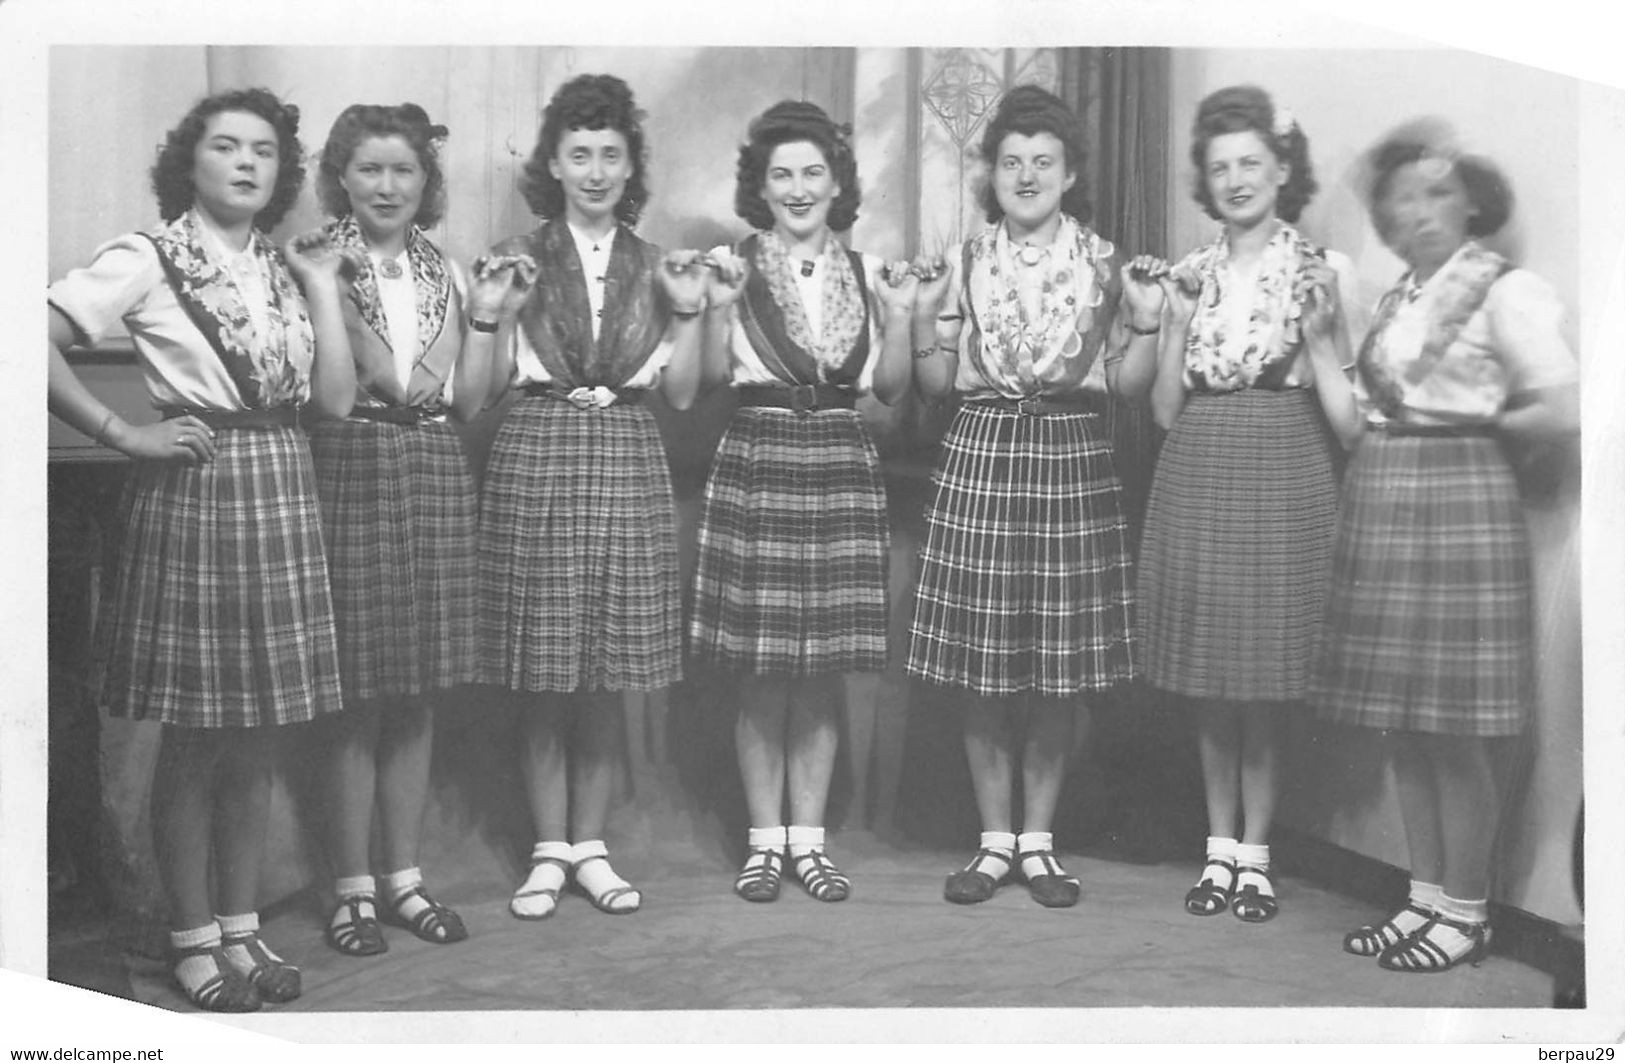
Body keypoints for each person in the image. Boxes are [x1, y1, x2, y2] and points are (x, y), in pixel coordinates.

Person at [45, 88, 355, 1011]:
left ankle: (240, 927)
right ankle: (189, 937)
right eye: (226, 147)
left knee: (257, 735)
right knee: (193, 736)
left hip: (283, 484)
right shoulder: (148, 256)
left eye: (264, 150)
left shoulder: (282, 266)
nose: (248, 164)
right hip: (195, 493)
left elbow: (333, 403)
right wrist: (122, 431)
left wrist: (326, 288)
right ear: (192, 162)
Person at [1310, 125, 1578, 972]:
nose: (1415, 211)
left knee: (1456, 728)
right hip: (1384, 498)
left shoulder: (1505, 290)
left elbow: (1560, 410)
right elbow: (1355, 423)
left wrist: (1471, 425)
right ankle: (1424, 899)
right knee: (1405, 723)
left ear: (1471, 201)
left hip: (1459, 500)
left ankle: (1465, 913)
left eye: (1435, 192)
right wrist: (1321, 345)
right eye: (1399, 197)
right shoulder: (1393, 304)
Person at [1120, 86, 1360, 924]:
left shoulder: (1323, 270)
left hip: (1285, 462)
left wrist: (1325, 339)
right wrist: (1173, 327)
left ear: (1281, 169)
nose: (1235, 180)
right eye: (1219, 167)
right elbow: (1158, 411)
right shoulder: (1188, 273)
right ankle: (1216, 850)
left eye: (1250, 163)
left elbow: (1347, 405)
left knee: (1263, 679)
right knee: (1210, 679)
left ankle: (1255, 855)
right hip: (1198, 464)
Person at [471, 74, 707, 921]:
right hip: (538, 444)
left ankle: (591, 847)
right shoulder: (518, 256)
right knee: (543, 665)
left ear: (630, 164)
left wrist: (685, 317)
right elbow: (484, 387)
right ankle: (546, 850)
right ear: (555, 165)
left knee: (605, 664)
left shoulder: (658, 263)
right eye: (580, 154)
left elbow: (680, 395)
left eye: (612, 153)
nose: (597, 170)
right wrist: (495, 315)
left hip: (626, 447)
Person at [907, 85, 1150, 908]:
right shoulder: (965, 260)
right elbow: (936, 380)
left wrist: (1148, 325)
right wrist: (915, 322)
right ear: (993, 174)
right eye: (1011, 161)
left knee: (1055, 667)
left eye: (1042, 161)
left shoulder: (1106, 264)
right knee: (983, 665)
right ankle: (992, 841)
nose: (1025, 175)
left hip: (1072, 450)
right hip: (980, 445)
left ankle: (1037, 843)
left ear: (1070, 172)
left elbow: (1126, 382)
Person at [691, 100, 918, 903]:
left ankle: (809, 841)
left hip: (839, 456)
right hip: (759, 453)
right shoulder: (731, 265)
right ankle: (763, 842)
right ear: (760, 185)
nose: (796, 188)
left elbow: (888, 388)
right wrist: (715, 309)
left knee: (820, 672)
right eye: (779, 173)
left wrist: (897, 320)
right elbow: (709, 379)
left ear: (836, 183)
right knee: (761, 670)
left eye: (811, 172)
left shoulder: (867, 271)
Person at [302, 103, 491, 957]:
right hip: (351, 463)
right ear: (341, 175)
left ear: (426, 181)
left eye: (403, 170)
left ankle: (404, 877)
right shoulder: (312, 263)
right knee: (357, 690)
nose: (387, 185)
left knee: (414, 688)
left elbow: (457, 393)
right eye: (370, 169)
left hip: (434, 467)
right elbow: (336, 389)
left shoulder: (443, 268)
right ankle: (351, 888)